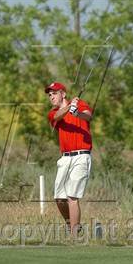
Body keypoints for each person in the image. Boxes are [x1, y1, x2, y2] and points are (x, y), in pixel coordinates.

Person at [45, 81, 93, 236]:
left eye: (54, 93)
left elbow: (88, 116)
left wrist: (76, 112)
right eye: (50, 94)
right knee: (59, 198)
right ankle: (70, 223)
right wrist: (68, 108)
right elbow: (58, 116)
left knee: (72, 196)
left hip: (82, 155)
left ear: (63, 94)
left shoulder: (79, 103)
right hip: (65, 158)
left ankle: (74, 234)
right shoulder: (52, 113)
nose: (51, 96)